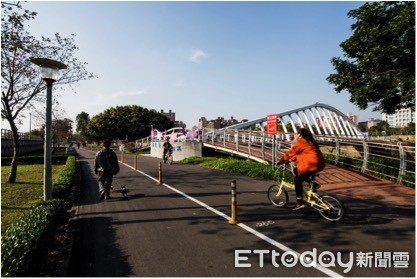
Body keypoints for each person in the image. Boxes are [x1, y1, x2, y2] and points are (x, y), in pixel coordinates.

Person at [277, 128, 325, 210]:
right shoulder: (310, 141)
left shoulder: (301, 141)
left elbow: (290, 153)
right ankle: (313, 186)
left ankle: (299, 201)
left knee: (297, 181)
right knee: (297, 171)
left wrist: (281, 161)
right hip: (319, 164)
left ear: (300, 134)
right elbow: (301, 153)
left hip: (311, 165)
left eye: (297, 134)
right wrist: (291, 160)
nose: (296, 135)